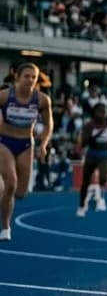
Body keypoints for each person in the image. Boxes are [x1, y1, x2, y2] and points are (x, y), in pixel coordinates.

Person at [0, 63, 54, 241]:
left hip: (26, 144)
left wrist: (43, 144)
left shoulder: (42, 100)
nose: (30, 80)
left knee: (20, 192)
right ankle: (6, 227)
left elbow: (48, 124)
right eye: (27, 76)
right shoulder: (4, 96)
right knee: (11, 184)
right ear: (18, 77)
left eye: (34, 77)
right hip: (4, 141)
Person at [76, 102, 107, 217]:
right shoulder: (89, 125)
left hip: (104, 154)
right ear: (95, 113)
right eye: (100, 111)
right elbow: (84, 141)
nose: (103, 114)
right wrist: (87, 139)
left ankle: (101, 198)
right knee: (85, 182)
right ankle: (81, 205)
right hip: (91, 155)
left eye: (105, 111)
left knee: (104, 177)